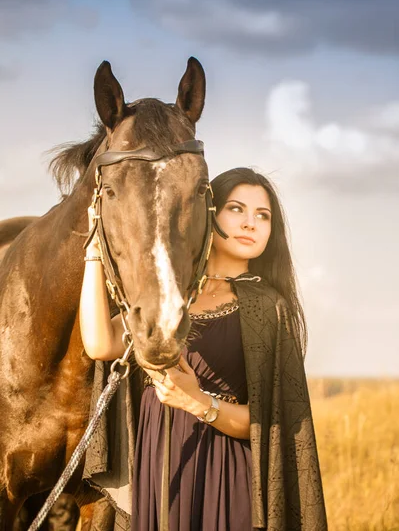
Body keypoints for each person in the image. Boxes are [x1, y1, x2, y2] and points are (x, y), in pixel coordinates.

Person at [80, 167, 328, 531]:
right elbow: (101, 344)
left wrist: (200, 403)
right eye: (237, 209)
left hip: (229, 472)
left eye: (263, 216)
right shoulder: (170, 297)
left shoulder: (269, 308)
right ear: (207, 214)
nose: (250, 224)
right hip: (161, 465)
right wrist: (94, 252)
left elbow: (276, 426)